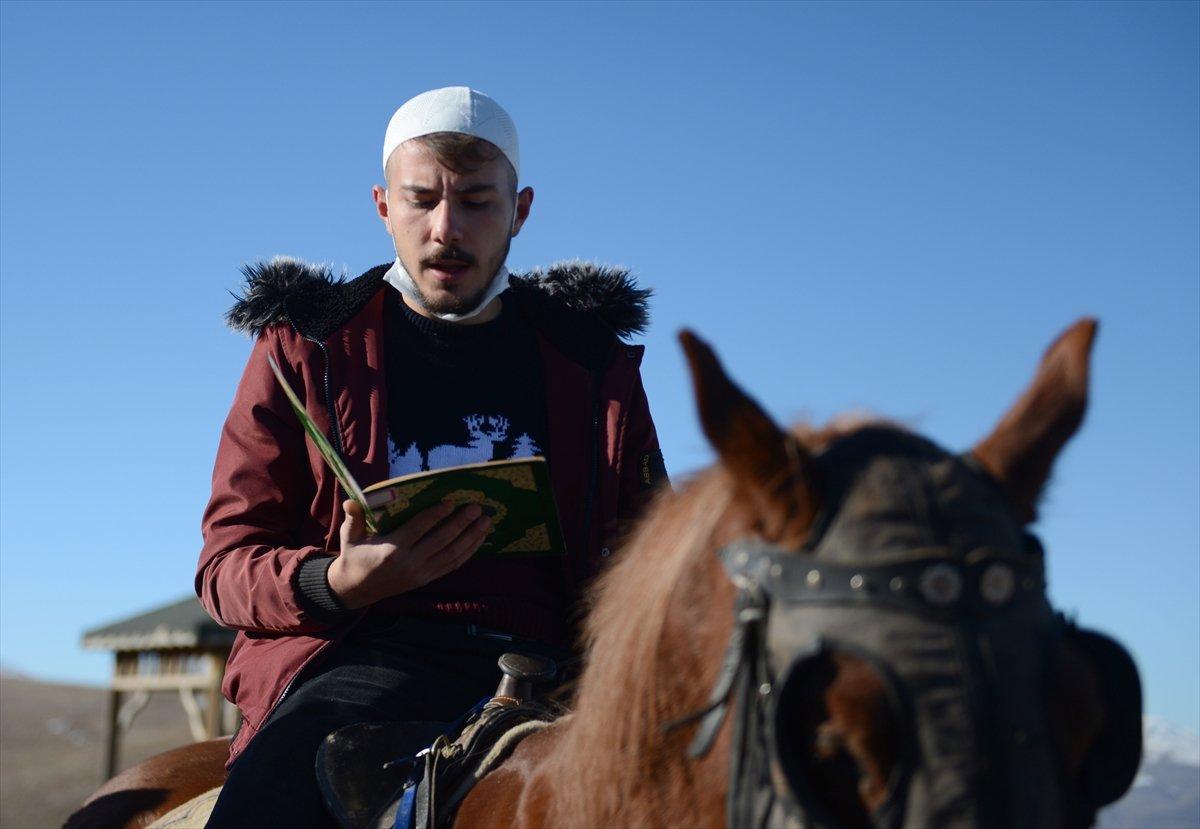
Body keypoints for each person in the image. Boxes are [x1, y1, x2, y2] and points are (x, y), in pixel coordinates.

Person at [197, 87, 666, 827]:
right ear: (384, 206)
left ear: (522, 209)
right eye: (422, 200)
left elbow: (654, 558)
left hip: (566, 677)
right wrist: (335, 582)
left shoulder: (593, 365)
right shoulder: (303, 349)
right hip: (364, 659)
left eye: (478, 201)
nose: (446, 228)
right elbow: (225, 566)